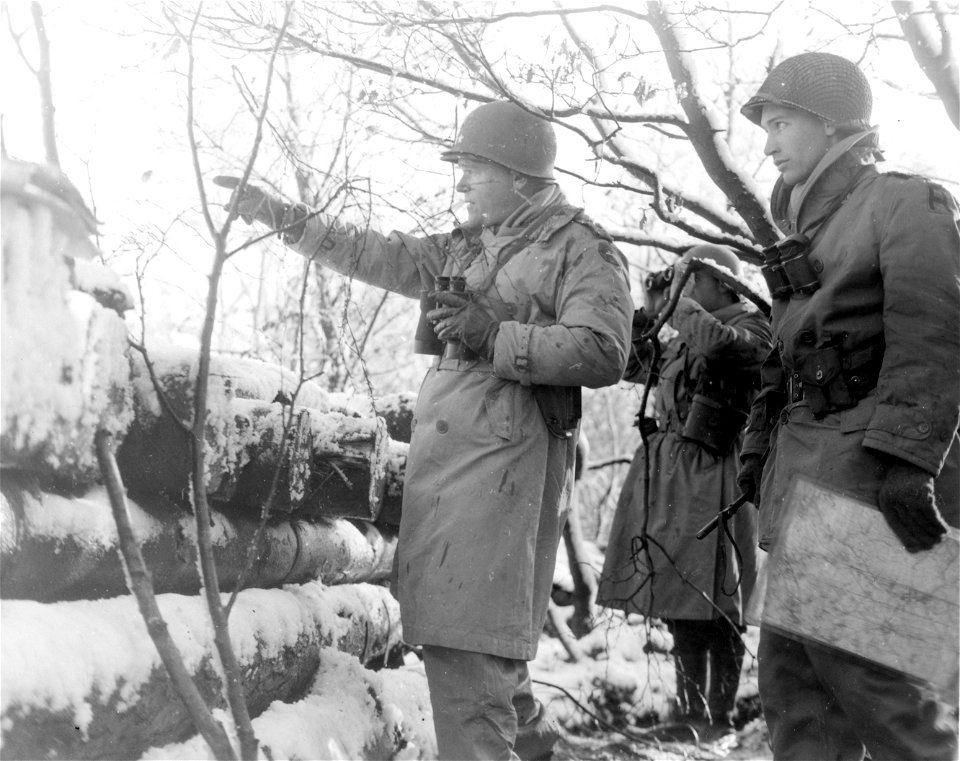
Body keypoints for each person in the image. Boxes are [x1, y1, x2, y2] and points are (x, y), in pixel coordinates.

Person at [215, 100, 634, 760]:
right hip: (455, 478)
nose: (461, 184)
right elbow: (375, 253)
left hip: (505, 478)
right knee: (480, 658)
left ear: (520, 175)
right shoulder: (471, 243)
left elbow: (605, 349)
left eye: (474, 170)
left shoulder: (580, 249)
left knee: (473, 661)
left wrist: (496, 335)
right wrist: (286, 220)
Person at [737, 51, 959, 759]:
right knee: (796, 698)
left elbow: (936, 335)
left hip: (863, 485)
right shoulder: (809, 232)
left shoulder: (904, 203)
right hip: (807, 485)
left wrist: (906, 460)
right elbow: (785, 360)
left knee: (884, 700)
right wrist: (754, 457)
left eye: (779, 124)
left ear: (833, 128)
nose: (767, 144)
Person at [597, 244, 772, 744]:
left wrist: (679, 307)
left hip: (720, 471)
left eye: (689, 280)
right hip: (674, 474)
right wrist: (642, 317)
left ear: (722, 283)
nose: (681, 289)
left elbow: (722, 348)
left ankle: (717, 718)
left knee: (719, 598)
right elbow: (629, 365)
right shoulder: (682, 331)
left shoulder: (753, 324)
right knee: (679, 597)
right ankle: (687, 711)